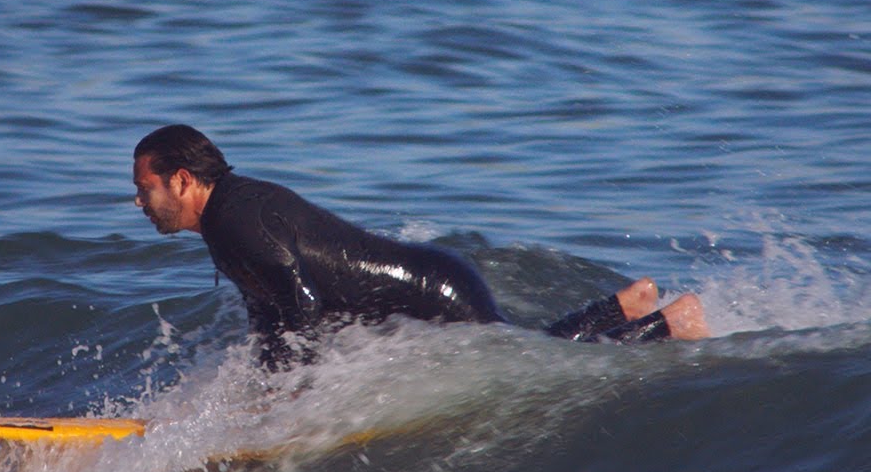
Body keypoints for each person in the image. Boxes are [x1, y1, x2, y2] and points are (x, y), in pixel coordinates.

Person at [132, 124, 710, 371]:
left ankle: (670, 322)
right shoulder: (231, 214)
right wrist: (264, 383)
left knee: (543, 364)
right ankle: (628, 304)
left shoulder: (235, 221)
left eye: (145, 188)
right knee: (530, 348)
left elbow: (299, 309)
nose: (139, 202)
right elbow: (271, 312)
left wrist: (287, 406)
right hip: (436, 277)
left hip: (437, 290)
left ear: (181, 179)